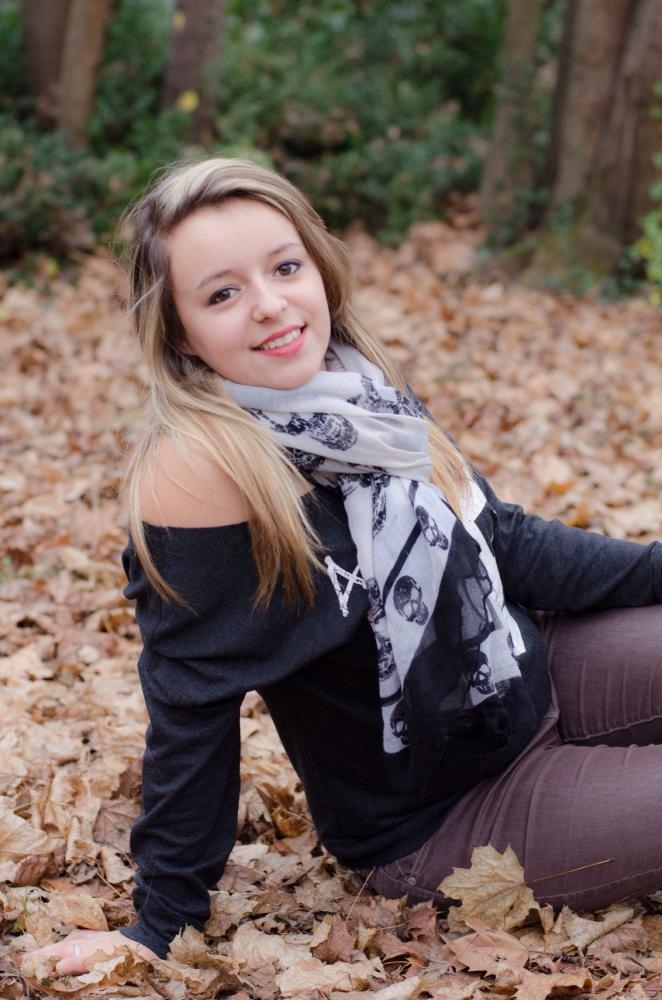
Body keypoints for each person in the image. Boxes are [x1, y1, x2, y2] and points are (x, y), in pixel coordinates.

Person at [30, 157, 662, 977]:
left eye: (285, 267)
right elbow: (192, 706)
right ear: (180, 332)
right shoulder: (202, 472)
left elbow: (505, 542)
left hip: (535, 674)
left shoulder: (354, 395)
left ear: (319, 271)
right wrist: (157, 925)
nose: (270, 304)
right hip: (446, 814)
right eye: (222, 294)